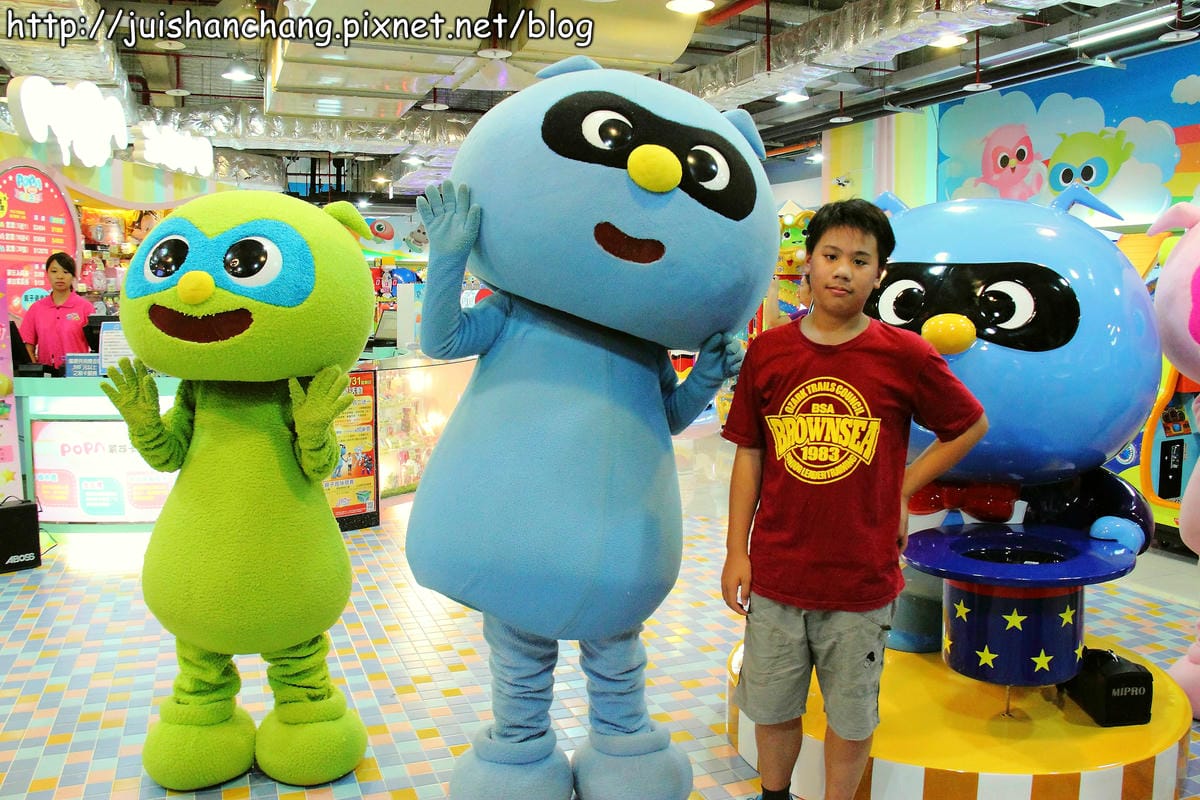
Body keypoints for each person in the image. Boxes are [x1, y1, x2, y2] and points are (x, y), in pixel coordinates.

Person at [719, 198, 988, 800]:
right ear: (806, 263)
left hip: (861, 580)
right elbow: (750, 455)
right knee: (772, 703)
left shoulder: (907, 355)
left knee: (851, 714)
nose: (843, 270)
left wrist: (901, 489)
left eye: (860, 260)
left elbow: (968, 426)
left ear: (880, 273)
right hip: (778, 572)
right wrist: (737, 550)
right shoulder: (770, 352)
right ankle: (774, 793)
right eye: (831, 255)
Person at [20, 252, 93, 375]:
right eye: (54, 271)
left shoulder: (85, 308)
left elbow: (96, 345)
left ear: (74, 276)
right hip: (46, 374)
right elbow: (28, 345)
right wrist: (35, 371)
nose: (60, 276)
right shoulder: (37, 308)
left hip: (78, 374)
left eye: (65, 272)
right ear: (47, 274)